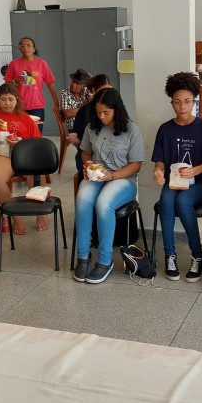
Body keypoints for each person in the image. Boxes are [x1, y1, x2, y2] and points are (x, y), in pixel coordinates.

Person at [73, 88, 145, 285]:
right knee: (82, 200)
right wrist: (89, 165)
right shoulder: (92, 127)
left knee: (104, 204)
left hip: (123, 179)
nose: (102, 117)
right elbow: (85, 153)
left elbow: (135, 165)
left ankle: (105, 260)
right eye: (98, 112)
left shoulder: (132, 130)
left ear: (116, 110)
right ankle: (83, 256)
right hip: (98, 176)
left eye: (106, 112)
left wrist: (112, 175)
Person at [151, 72, 202, 282]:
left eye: (187, 101)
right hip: (175, 182)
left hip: (201, 183)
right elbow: (160, 161)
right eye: (177, 102)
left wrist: (196, 170)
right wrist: (158, 171)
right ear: (171, 103)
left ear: (194, 102)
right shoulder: (165, 129)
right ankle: (169, 255)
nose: (182, 106)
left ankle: (197, 254)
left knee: (183, 200)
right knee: (166, 199)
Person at [0, 82, 44, 234]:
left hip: (24, 154)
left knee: (38, 174)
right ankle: (15, 216)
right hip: (1, 154)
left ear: (17, 99)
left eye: (11, 99)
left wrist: (21, 143)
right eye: (3, 99)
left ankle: (41, 212)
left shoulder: (24, 117)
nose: (7, 103)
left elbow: (38, 143)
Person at [4, 37, 57, 126]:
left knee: (36, 133)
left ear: (34, 49)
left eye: (28, 45)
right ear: (20, 49)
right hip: (18, 106)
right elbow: (7, 84)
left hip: (37, 106)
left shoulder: (41, 63)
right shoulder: (14, 64)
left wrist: (56, 103)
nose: (25, 48)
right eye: (22, 46)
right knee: (20, 132)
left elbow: (50, 83)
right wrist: (14, 83)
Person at [69, 74, 111, 173]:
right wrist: (77, 141)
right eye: (102, 91)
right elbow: (82, 146)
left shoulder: (117, 109)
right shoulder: (85, 111)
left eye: (110, 91)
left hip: (113, 156)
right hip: (90, 155)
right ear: (94, 91)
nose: (106, 94)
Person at [58, 68, 91, 132]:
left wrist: (90, 83)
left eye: (78, 83)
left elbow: (92, 106)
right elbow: (66, 113)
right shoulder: (64, 93)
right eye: (73, 81)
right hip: (75, 128)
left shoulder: (87, 91)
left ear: (83, 85)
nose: (73, 85)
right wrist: (86, 108)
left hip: (88, 126)